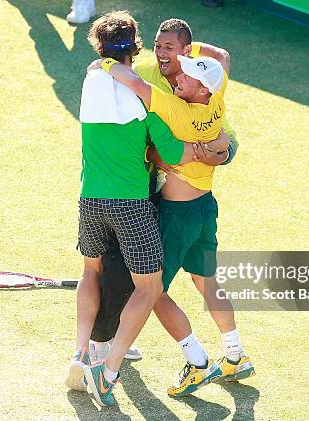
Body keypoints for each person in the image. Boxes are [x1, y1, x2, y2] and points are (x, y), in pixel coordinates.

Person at [95, 18, 254, 397]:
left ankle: (197, 361)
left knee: (151, 291)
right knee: (207, 282)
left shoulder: (177, 108)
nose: (177, 79)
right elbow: (222, 61)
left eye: (185, 76)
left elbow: (135, 85)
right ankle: (235, 354)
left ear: (199, 86)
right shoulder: (215, 96)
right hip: (205, 209)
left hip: (176, 216)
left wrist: (103, 62)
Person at [66, 11, 197, 407]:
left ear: (100, 48)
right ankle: (107, 371)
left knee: (91, 271)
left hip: (90, 201)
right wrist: (209, 145)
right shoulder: (146, 101)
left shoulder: (90, 82)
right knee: (150, 286)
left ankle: (80, 354)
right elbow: (175, 154)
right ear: (136, 48)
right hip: (131, 208)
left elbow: (100, 66)